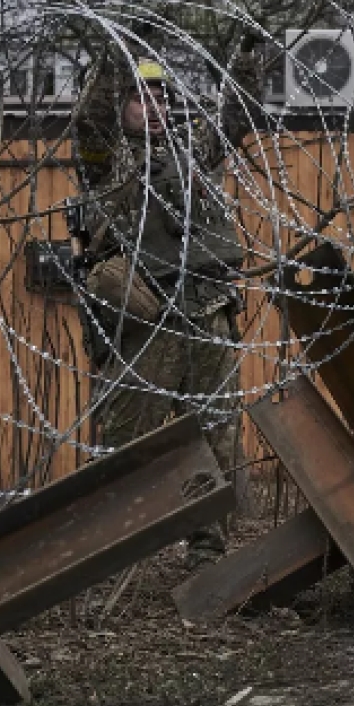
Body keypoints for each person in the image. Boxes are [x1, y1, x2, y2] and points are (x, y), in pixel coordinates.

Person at [73, 56, 247, 568]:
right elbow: (90, 116)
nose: (152, 107)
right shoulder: (106, 159)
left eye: (160, 97)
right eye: (138, 97)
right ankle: (113, 551)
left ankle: (207, 549)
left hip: (206, 306)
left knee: (215, 432)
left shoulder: (189, 148)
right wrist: (115, 55)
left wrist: (252, 58)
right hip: (147, 318)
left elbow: (236, 118)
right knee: (130, 439)